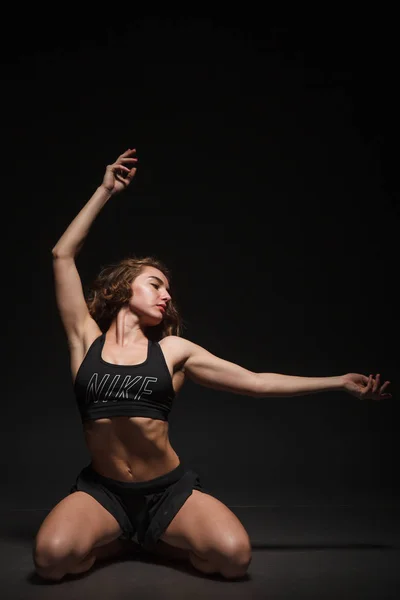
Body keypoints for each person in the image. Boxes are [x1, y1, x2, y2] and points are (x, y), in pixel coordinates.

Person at [32, 148, 392, 583]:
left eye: (169, 290)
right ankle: (125, 538)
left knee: (233, 559)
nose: (166, 296)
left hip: (166, 491)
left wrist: (339, 382)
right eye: (155, 284)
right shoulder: (83, 339)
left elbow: (256, 382)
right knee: (51, 561)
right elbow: (61, 255)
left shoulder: (174, 352)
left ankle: (154, 538)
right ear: (125, 287)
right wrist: (104, 191)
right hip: (103, 490)